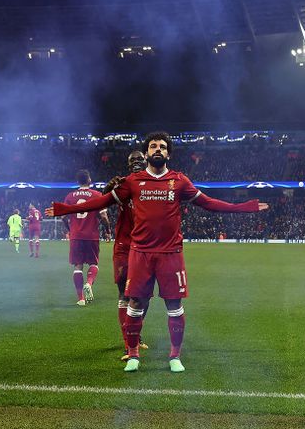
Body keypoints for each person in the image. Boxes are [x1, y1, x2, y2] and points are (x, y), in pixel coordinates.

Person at [47, 132, 269, 374]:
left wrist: (244, 207)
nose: (158, 149)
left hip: (171, 253)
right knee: (135, 302)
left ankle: (175, 356)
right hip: (140, 253)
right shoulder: (133, 182)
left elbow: (208, 203)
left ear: (168, 154)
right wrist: (63, 209)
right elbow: (101, 202)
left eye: (162, 147)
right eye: (153, 146)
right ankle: (133, 354)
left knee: (174, 304)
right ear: (147, 153)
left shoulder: (179, 181)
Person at [102, 151, 149, 359]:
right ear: (128, 165)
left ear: (146, 162)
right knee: (124, 294)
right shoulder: (123, 184)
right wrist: (108, 187)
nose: (136, 162)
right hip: (124, 246)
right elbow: (103, 201)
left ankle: (135, 335)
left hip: (146, 247)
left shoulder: (154, 185)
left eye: (140, 159)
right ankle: (128, 343)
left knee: (144, 296)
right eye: (133, 160)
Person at [62, 170, 111, 306]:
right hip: (91, 236)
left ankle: (81, 299)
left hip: (76, 236)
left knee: (78, 266)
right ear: (89, 180)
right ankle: (89, 283)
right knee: (93, 264)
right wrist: (107, 231)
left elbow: (63, 217)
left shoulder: (70, 196)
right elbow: (104, 217)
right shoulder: (97, 195)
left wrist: (70, 230)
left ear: (78, 181)